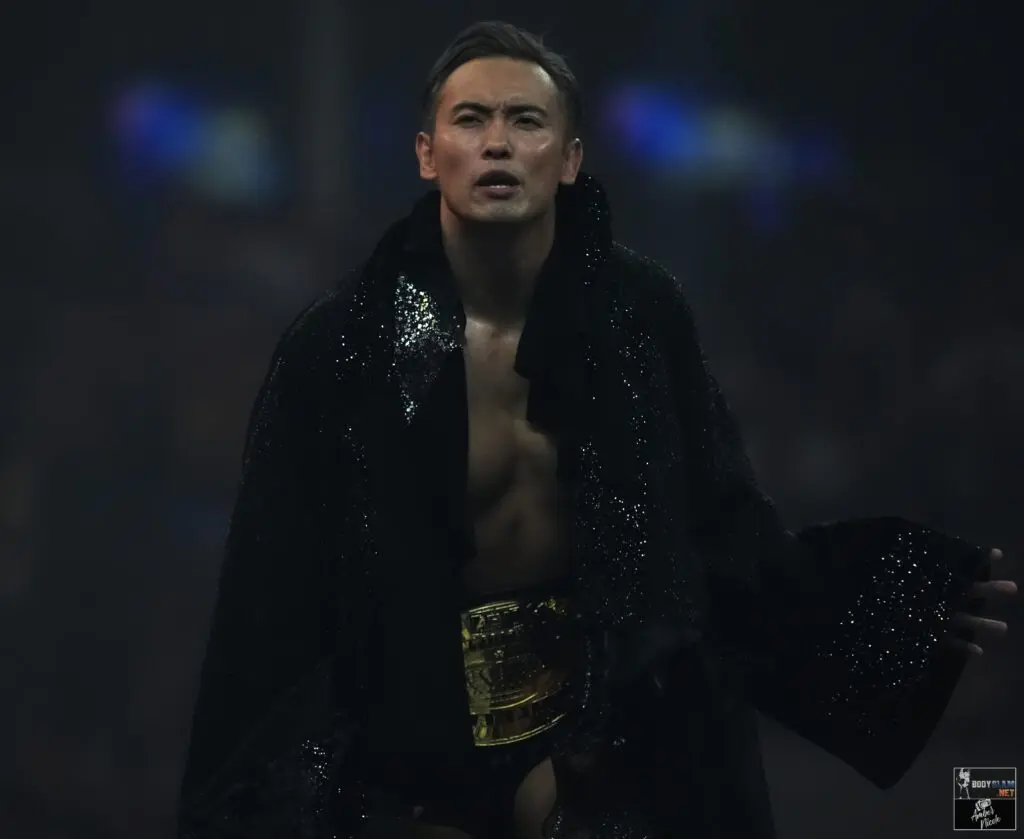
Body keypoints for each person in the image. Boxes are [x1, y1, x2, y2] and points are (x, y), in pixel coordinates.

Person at [175, 21, 1017, 839]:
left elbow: (722, 527)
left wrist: (893, 608)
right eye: (471, 119)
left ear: (571, 159)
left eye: (525, 120)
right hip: (403, 737)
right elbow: (271, 592)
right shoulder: (342, 345)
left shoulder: (637, 316)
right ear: (428, 154)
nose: (497, 143)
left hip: (590, 726)